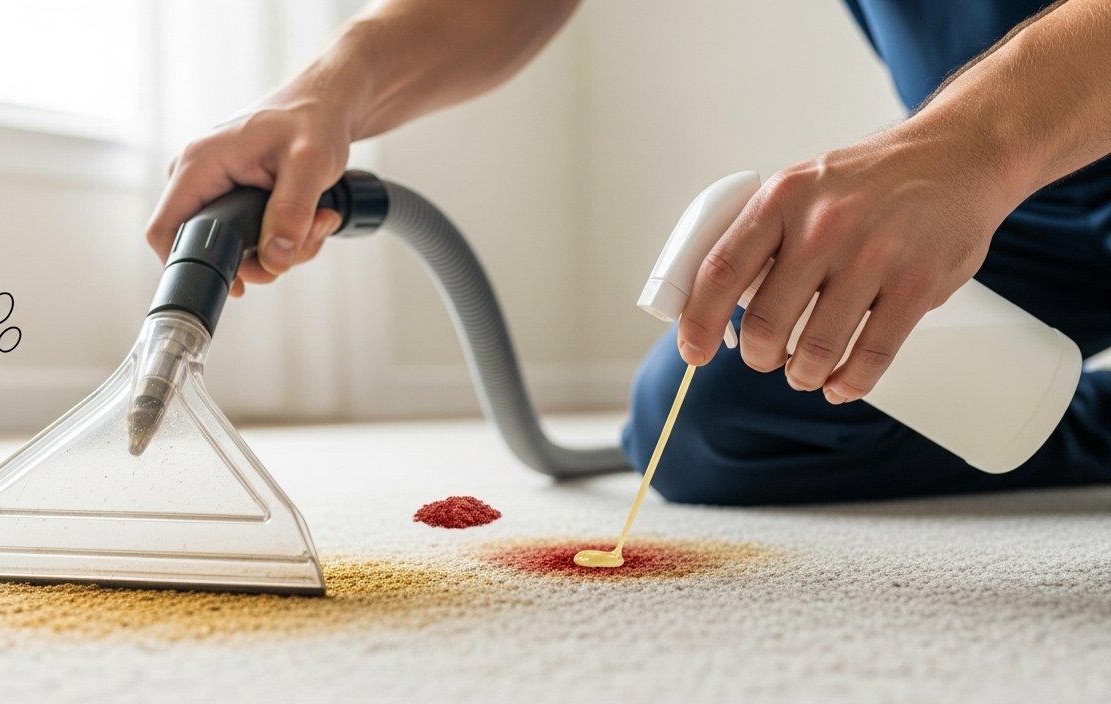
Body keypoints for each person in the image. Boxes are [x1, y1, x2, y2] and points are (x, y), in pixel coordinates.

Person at [145, 0, 1111, 505]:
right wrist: (333, 88)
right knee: (712, 418)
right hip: (1028, 196)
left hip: (1003, 147)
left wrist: (967, 147)